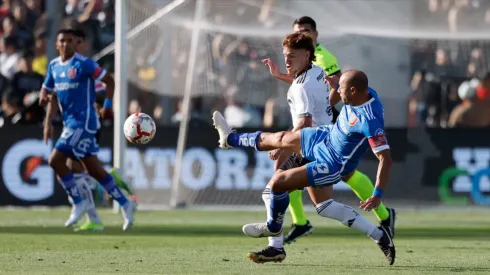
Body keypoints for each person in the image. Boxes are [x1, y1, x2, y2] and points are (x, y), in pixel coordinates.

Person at [212, 66, 396, 265]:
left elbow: (385, 159)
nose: (338, 92)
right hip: (324, 136)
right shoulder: (365, 92)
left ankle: (274, 229)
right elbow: (351, 85)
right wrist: (337, 83)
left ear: (353, 91)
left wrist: (377, 195)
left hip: (331, 163)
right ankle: (230, 138)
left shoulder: (370, 120)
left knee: (278, 184)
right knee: (282, 139)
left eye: (341, 89)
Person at [261, 16, 396, 245]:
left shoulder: (324, 58)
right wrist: (281, 76)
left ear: (315, 34)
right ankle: (297, 225)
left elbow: (333, 90)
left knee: (300, 179)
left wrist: (321, 111)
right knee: (297, 182)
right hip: (318, 126)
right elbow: (306, 84)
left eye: (306, 31)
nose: (302, 34)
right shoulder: (301, 58)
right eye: (298, 31)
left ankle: (380, 218)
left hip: (324, 127)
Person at [39, 29, 136, 231]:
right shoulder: (54, 66)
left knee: (56, 161)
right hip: (69, 124)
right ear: (56, 44)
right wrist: (47, 120)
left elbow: (109, 80)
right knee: (93, 170)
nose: (66, 44)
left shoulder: (84, 64)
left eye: (69, 41)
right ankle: (125, 203)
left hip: (84, 123)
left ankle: (78, 202)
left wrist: (108, 105)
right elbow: (49, 91)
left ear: (76, 43)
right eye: (62, 41)